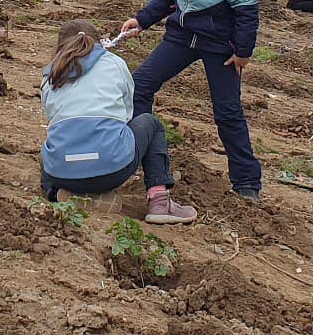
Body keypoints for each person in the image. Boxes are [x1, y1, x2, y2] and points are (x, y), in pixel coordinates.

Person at [119, 0, 263, 201]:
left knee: (227, 112)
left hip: (219, 43)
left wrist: (243, 51)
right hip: (182, 35)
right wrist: (142, 20)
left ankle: (247, 183)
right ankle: (140, 164)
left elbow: (246, 6)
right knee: (138, 87)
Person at [38, 20, 198, 224]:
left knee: (54, 144)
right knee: (150, 123)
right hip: (112, 170)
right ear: (97, 42)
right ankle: (159, 202)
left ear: (59, 47)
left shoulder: (50, 75)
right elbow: (127, 112)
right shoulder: (114, 63)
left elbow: (52, 117)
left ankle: (57, 193)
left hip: (62, 173)